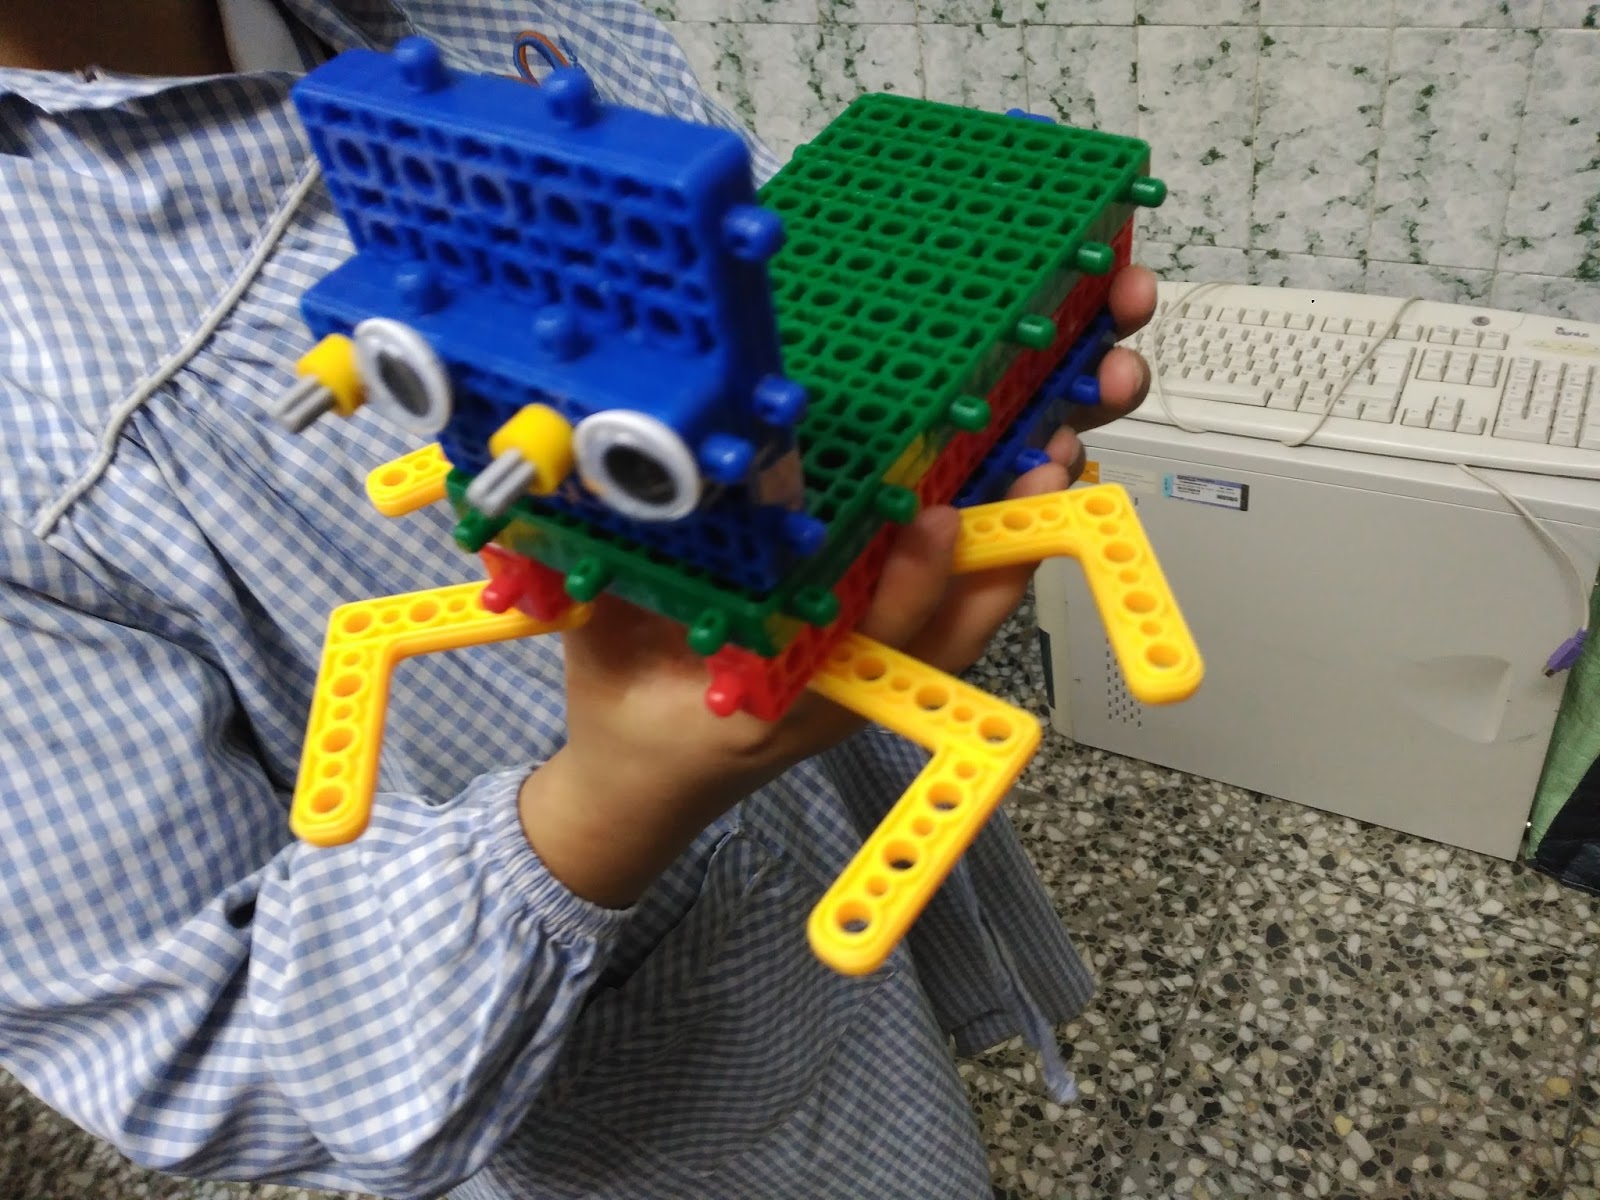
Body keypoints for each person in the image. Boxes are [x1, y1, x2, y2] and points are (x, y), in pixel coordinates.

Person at [0, 2, 1157, 1197]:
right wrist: (606, 804)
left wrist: (942, 413)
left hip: (835, 832)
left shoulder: (519, 16)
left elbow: (763, 280)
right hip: (631, 1112)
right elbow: (187, 1049)